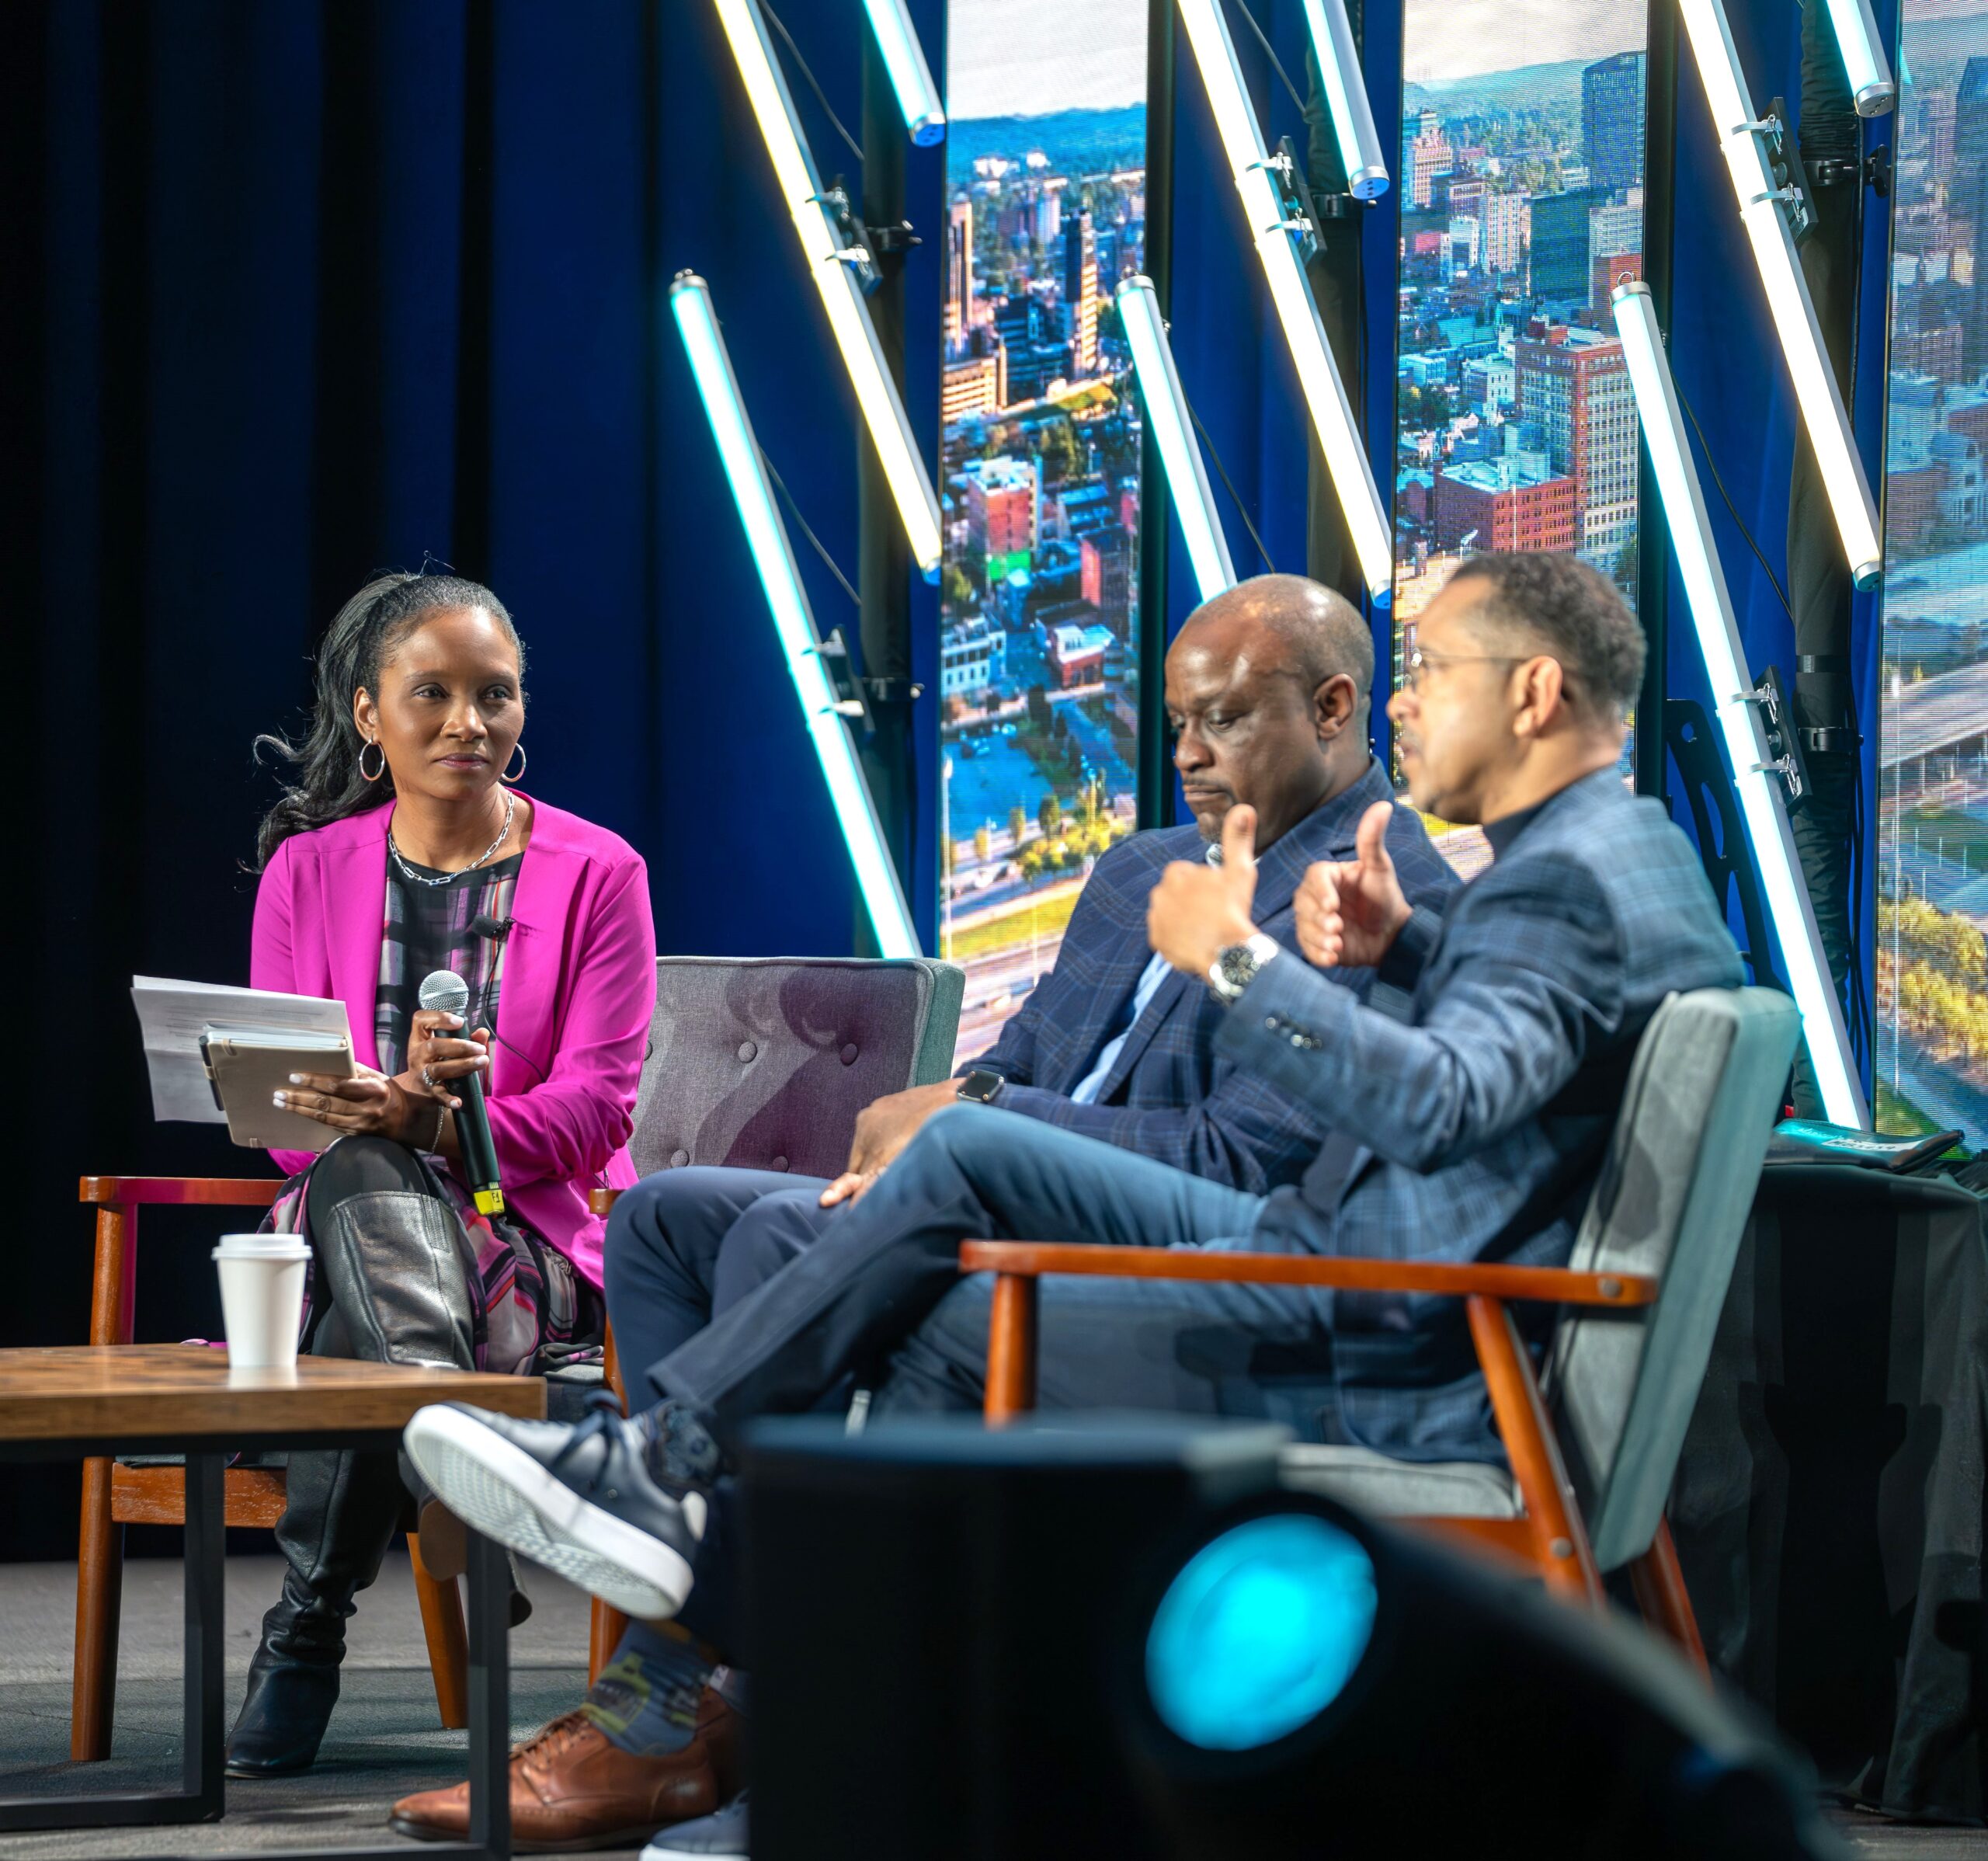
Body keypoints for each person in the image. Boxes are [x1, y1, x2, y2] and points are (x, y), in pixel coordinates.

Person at [404, 548, 1745, 1623]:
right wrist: (1410, 950)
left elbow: (1437, 1106)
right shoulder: (1617, 858)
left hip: (1370, 1332)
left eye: (1436, 672)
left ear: (1534, 694)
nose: (1407, 701)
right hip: (1365, 1284)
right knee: (833, 1200)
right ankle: (698, 1554)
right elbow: (1518, 1072)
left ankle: (714, 1566)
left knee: (937, 1241)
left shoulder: (1557, 883)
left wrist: (1234, 963)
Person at [385, 575, 1456, 1852]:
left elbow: (1241, 1169)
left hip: (1174, 1283)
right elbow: (1025, 1061)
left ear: (1334, 708)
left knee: (787, 1236)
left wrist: (977, 1136)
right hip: (989, 1210)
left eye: (1221, 721)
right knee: (669, 1217)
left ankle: (717, 1700)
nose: (1186, 755)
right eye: (1176, 722)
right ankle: (703, 1631)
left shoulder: (1374, 901)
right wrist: (960, 1104)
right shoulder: (1144, 867)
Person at [229, 571, 657, 1777]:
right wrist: (385, 1116)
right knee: (359, 1168)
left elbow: (597, 1110)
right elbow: (287, 1126)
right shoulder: (307, 870)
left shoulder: (600, 871)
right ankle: (452, 1447)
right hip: (348, 1232)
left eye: (495, 694)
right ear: (370, 713)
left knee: (370, 1204)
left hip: (519, 1240)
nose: (470, 721)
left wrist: (440, 1127)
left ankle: (306, 1631)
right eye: (433, 694)